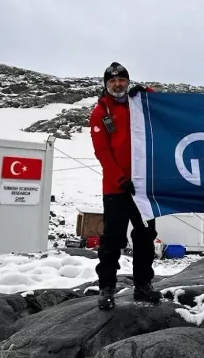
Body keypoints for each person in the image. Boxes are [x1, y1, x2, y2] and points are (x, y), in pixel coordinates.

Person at [88, 62, 160, 310]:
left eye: (122, 80)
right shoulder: (100, 113)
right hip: (116, 189)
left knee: (145, 237)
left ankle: (143, 286)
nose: (118, 85)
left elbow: (162, 108)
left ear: (127, 82)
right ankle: (106, 288)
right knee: (112, 239)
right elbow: (103, 152)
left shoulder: (138, 104)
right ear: (106, 85)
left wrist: (147, 91)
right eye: (112, 82)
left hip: (142, 187)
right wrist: (120, 179)